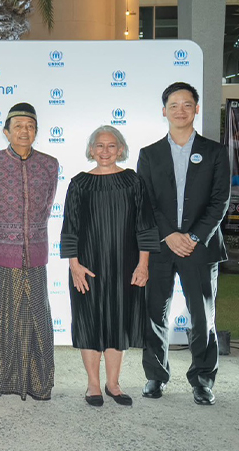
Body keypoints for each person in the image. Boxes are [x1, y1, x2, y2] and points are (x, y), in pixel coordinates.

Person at [137, 82, 231, 406]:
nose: (180, 110)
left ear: (196, 109)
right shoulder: (149, 154)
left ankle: (203, 380)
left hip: (200, 248)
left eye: (187, 104)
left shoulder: (215, 152)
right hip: (161, 247)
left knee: (202, 318)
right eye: (174, 105)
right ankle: (155, 376)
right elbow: (145, 202)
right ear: (164, 111)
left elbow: (220, 201)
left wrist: (192, 237)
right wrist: (169, 234)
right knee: (154, 314)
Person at [60, 125, 160, 407]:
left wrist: (143, 265)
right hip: (87, 267)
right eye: (99, 145)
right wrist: (74, 266)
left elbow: (145, 226)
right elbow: (70, 227)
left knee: (119, 322)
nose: (105, 151)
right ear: (91, 150)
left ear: (121, 149)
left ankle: (113, 384)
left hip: (125, 266)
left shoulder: (133, 182)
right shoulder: (79, 183)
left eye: (111, 145)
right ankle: (93, 384)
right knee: (89, 322)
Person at [0, 102, 58, 401]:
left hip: (34, 252)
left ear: (36, 131)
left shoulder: (49, 164)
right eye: (19, 126)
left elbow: (48, 205)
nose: (25, 131)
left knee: (36, 317)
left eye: (30, 126)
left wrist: (28, 234)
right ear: (6, 132)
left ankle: (38, 381)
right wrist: (5, 235)